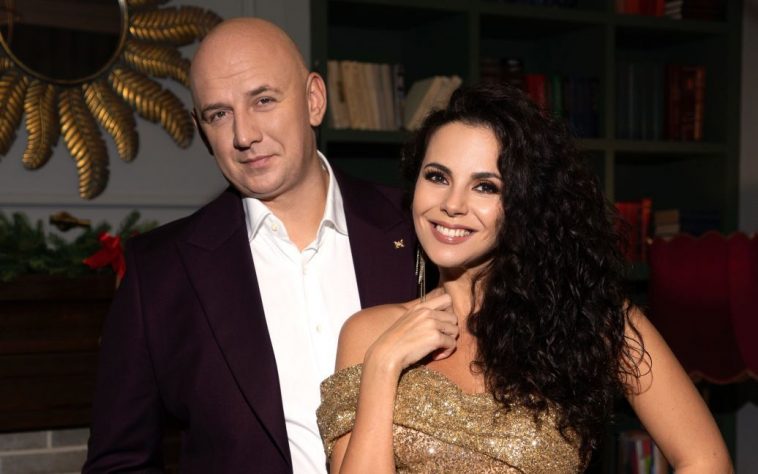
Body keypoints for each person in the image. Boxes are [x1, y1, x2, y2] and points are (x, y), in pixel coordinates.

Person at [316, 83, 733, 473]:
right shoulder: (372, 334)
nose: (452, 204)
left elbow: (706, 461)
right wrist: (384, 364)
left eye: (485, 187)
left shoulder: (591, 319)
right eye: (438, 177)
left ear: (525, 203)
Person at [83, 18, 417, 473]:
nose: (244, 135)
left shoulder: (419, 228)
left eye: (263, 100)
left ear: (314, 100)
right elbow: (119, 463)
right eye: (219, 114)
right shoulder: (160, 273)